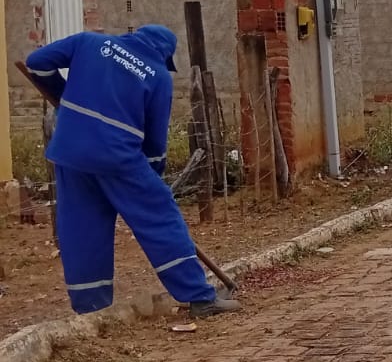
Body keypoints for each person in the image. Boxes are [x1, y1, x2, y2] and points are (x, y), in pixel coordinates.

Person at [24, 26, 240, 319]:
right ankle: (199, 297)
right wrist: (152, 175)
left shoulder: (89, 42)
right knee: (161, 220)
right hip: (118, 157)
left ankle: (91, 309)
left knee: (82, 228)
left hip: (70, 153)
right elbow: (154, 141)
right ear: (164, 54)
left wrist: (63, 96)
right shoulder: (158, 75)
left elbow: (36, 62)